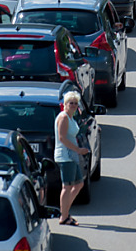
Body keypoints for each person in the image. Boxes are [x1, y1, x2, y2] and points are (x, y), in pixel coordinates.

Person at [54, 90, 89, 227]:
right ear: (65, 104)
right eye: (71, 103)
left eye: (75, 103)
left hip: (72, 156)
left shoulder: (71, 118)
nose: (73, 105)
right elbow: (62, 138)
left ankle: (65, 211)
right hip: (65, 156)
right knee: (67, 186)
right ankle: (64, 216)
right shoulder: (63, 117)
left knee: (79, 184)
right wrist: (78, 150)